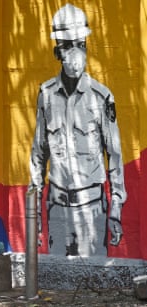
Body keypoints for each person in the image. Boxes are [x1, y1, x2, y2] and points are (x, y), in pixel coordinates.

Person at [29, 4, 127, 256]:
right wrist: (35, 213)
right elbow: (38, 154)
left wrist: (115, 208)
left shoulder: (101, 98)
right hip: (57, 206)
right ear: (57, 51)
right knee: (57, 284)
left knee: (93, 286)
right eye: (67, 45)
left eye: (80, 44)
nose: (75, 52)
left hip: (92, 208)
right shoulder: (47, 95)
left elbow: (114, 155)